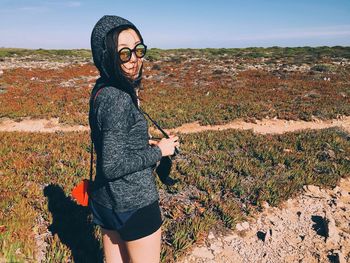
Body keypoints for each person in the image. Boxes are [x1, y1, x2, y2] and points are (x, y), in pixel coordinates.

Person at [88, 15, 180, 263]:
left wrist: (141, 144)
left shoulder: (101, 89)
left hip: (106, 202)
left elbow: (111, 141)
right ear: (106, 55)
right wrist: (160, 151)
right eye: (124, 53)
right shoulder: (118, 99)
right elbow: (112, 166)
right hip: (134, 204)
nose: (135, 59)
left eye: (139, 49)